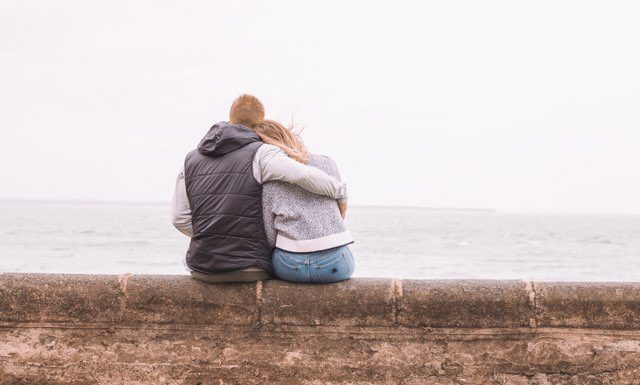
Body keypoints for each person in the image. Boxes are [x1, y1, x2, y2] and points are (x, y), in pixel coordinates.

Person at [172, 95, 348, 283]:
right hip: (249, 267)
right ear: (260, 122)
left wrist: (212, 235)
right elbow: (303, 175)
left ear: (230, 119)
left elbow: (179, 219)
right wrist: (340, 191)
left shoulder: (189, 159)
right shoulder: (262, 153)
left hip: (201, 267)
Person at [253, 120, 355, 283]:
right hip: (335, 264)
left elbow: (269, 235)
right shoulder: (327, 163)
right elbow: (337, 214)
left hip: (289, 266)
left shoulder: (268, 179)